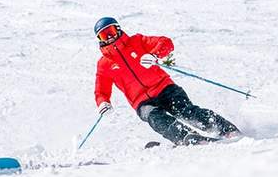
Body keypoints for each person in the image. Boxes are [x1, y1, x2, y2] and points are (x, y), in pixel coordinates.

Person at [92, 16, 241, 146]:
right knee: (155, 118)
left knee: (185, 111)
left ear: (118, 29)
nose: (109, 38)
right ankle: (186, 137)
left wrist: (155, 55)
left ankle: (225, 129)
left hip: (164, 88)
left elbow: (166, 42)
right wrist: (103, 102)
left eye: (110, 32)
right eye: (104, 36)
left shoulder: (137, 41)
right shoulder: (104, 64)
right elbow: (101, 90)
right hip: (142, 101)